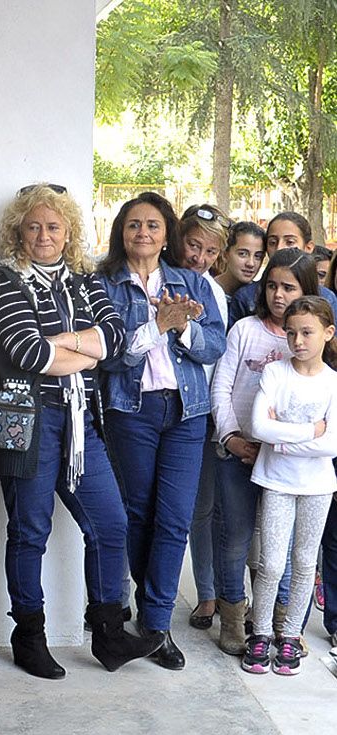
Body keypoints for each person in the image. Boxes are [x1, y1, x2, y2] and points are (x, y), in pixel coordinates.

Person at [0, 184, 161, 678]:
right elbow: (26, 353)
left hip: (81, 421)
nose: (43, 235)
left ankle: (108, 632)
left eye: (53, 226)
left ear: (69, 232)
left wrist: (69, 343)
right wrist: (88, 348)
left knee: (110, 523)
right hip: (27, 419)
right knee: (30, 530)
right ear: (18, 229)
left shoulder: (86, 279)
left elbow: (117, 341)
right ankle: (29, 636)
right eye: (32, 226)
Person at [98, 191, 226, 671]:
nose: (144, 233)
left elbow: (213, 345)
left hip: (186, 413)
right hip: (132, 411)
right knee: (136, 514)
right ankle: (143, 607)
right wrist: (158, 324)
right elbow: (110, 355)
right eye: (134, 225)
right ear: (121, 233)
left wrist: (182, 329)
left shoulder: (191, 280)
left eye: (153, 225)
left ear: (166, 234)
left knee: (173, 518)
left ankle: (155, 626)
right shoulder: (105, 285)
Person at [210, 248, 319, 654]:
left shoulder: (307, 340)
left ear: (307, 290)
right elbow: (221, 388)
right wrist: (231, 438)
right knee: (235, 537)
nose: (278, 295)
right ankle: (234, 619)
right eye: (271, 285)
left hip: (287, 462)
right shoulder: (244, 330)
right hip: (237, 453)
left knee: (283, 545)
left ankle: (280, 621)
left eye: (289, 287)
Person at [240, 296, 337, 675]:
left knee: (303, 563)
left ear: (328, 334)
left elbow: (333, 444)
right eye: (291, 332)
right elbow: (258, 427)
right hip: (276, 480)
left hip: (317, 486)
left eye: (307, 333)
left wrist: (281, 438)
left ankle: (291, 636)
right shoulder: (275, 373)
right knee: (272, 562)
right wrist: (308, 432)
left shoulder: (332, 383)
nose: (298, 341)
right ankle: (261, 632)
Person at [174, 204, 232, 631]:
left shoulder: (211, 293)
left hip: (200, 411)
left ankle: (208, 593)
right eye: (194, 245)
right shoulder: (154, 276)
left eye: (209, 252)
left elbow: (215, 354)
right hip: (148, 411)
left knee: (201, 508)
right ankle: (119, 598)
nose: (199, 257)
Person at [228, 212, 337, 321]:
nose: (280, 248)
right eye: (273, 242)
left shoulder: (326, 298)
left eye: (290, 242)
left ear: (308, 247)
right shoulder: (246, 298)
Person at [216, 221, 266, 307]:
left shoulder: (262, 297)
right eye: (242, 254)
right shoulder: (207, 290)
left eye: (258, 256)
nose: (251, 263)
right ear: (225, 254)